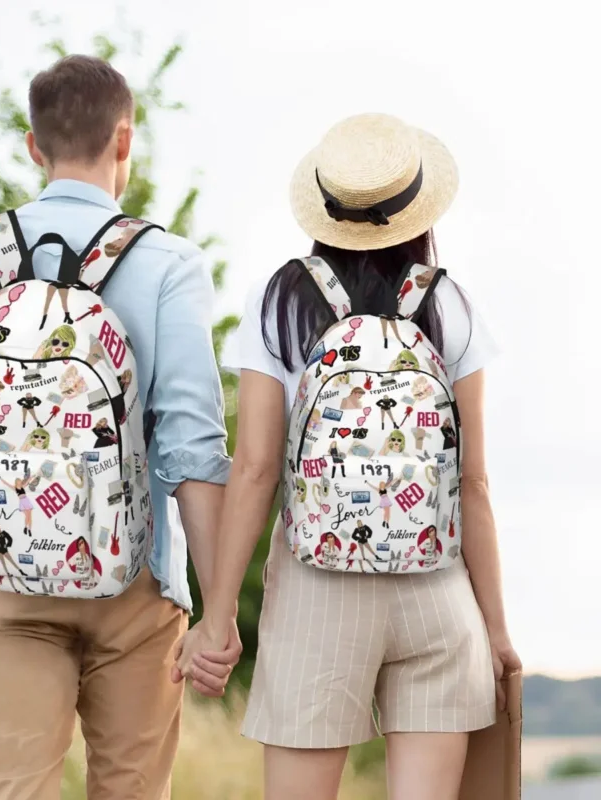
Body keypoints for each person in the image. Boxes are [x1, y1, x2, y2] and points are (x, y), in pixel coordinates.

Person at [0, 54, 239, 800]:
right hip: (135, 585)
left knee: (18, 790)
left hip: (2, 583)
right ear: (124, 141)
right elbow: (194, 452)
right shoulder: (168, 264)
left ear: (33, 147)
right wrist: (218, 611)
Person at [174, 113, 520, 800]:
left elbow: (255, 469)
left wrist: (216, 617)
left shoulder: (280, 300)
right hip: (437, 592)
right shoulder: (450, 304)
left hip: (316, 590)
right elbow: (474, 482)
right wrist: (497, 630)